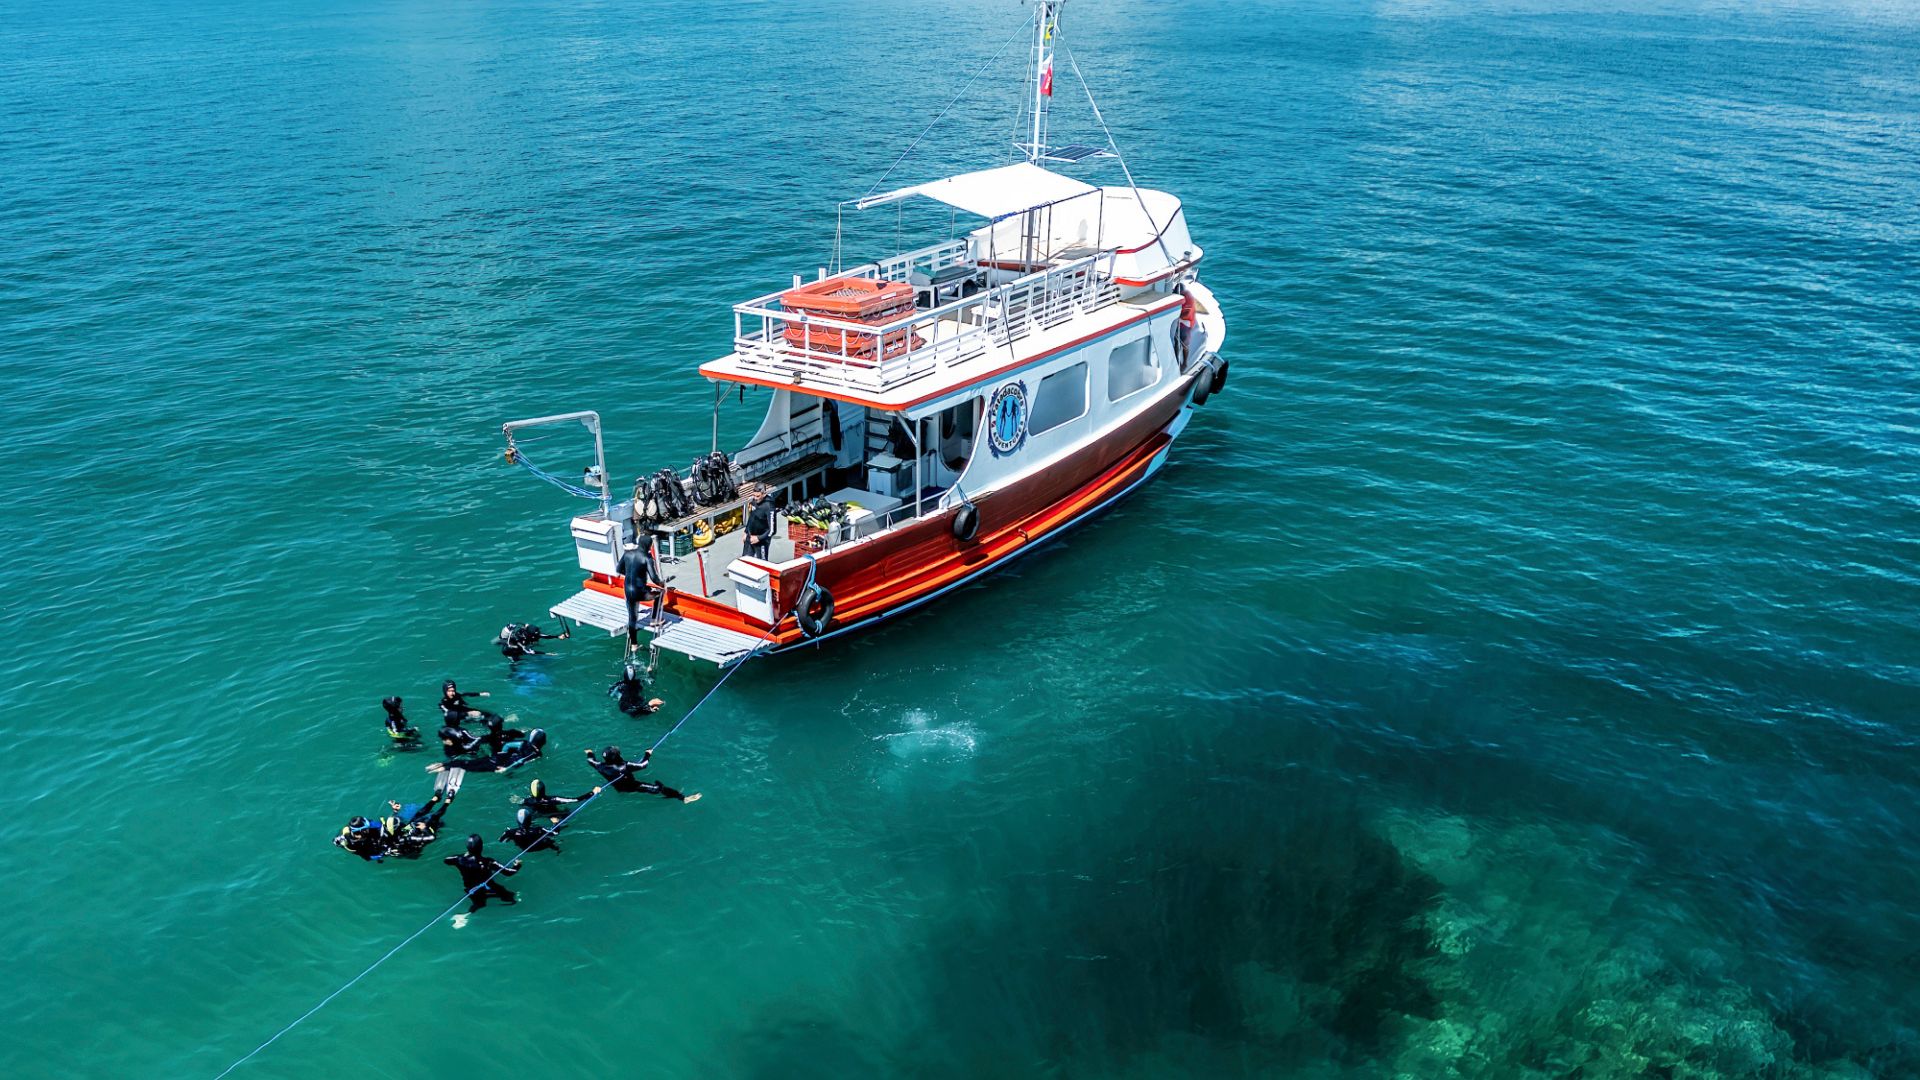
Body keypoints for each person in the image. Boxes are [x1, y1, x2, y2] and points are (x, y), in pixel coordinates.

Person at [585, 745, 700, 803]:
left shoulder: (600, 766)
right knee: (658, 788)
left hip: (619, 788)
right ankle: (684, 799)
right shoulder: (625, 766)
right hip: (632, 786)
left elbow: (590, 761)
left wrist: (589, 753)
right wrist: (647, 754)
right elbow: (643, 765)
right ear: (618, 756)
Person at [445, 835, 518, 913]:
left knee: (479, 904)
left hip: (471, 890)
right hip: (489, 887)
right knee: (509, 895)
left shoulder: (459, 859)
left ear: (468, 847)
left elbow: (446, 860)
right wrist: (517, 866)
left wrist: (463, 856)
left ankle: (466, 915)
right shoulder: (489, 862)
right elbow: (508, 872)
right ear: (481, 848)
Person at [617, 539, 665, 649]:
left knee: (632, 618)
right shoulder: (647, 558)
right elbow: (654, 578)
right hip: (641, 591)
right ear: (648, 546)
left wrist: (630, 573)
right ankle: (654, 620)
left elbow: (619, 569)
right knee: (659, 593)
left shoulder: (627, 554)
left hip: (628, 591)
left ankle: (634, 645)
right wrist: (661, 583)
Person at [521, 778, 598, 821]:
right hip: (556, 816)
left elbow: (520, 802)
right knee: (567, 813)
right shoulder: (553, 799)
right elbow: (576, 800)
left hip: (539, 815)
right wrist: (592, 792)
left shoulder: (528, 801)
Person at [496, 622, 569, 662]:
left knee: (530, 646)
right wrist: (547, 654)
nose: (539, 633)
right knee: (516, 661)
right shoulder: (521, 641)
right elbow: (531, 652)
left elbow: (543, 636)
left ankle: (498, 642)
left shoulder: (529, 631)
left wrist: (558, 636)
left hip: (519, 644)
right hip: (510, 652)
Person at [742, 485, 774, 560]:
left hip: (761, 540)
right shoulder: (754, 502)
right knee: (745, 561)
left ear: (764, 494)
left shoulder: (769, 507)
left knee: (761, 564)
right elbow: (752, 517)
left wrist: (759, 538)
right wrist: (746, 531)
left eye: (758, 496)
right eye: (754, 496)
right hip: (750, 536)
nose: (755, 498)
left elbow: (772, 530)